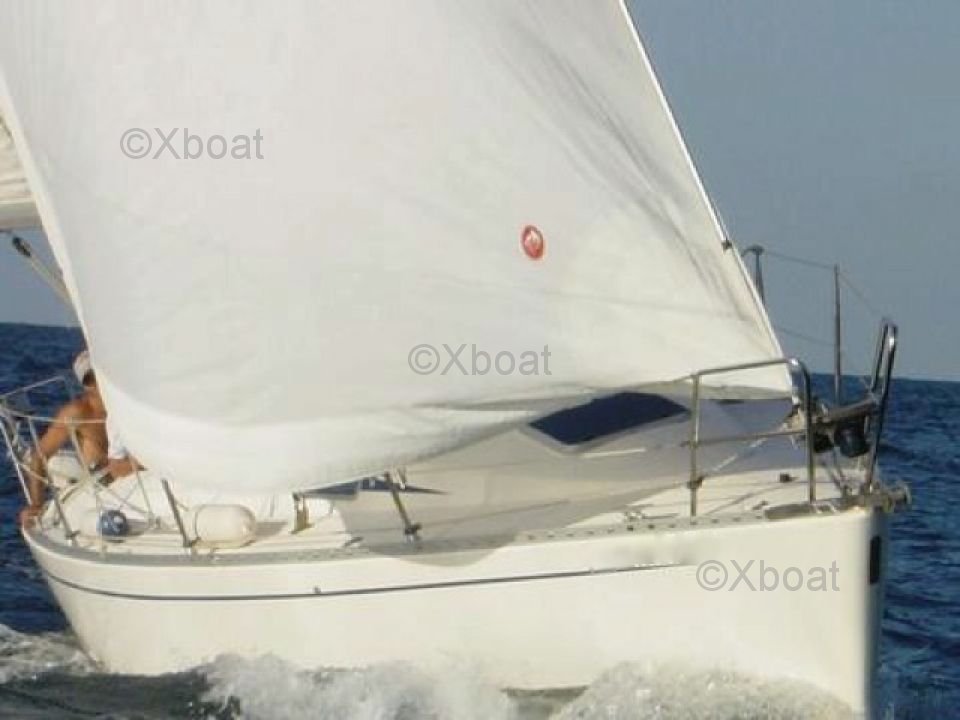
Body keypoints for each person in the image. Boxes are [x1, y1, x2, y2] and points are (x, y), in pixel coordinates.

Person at [18, 351, 108, 526]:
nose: (96, 383)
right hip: (104, 485)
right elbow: (39, 456)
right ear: (85, 384)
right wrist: (36, 504)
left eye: (99, 374)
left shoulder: (128, 404)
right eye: (89, 379)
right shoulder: (77, 412)